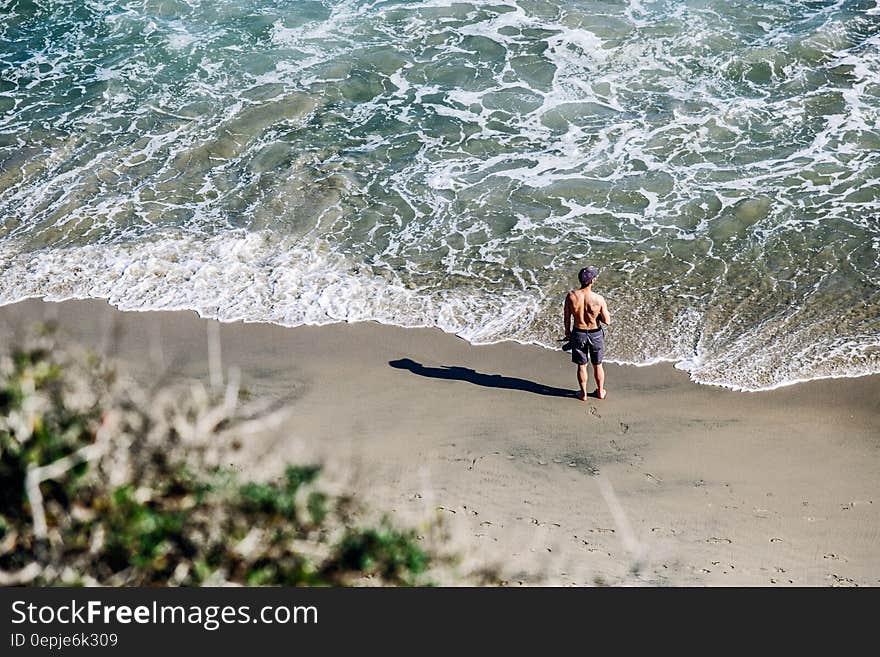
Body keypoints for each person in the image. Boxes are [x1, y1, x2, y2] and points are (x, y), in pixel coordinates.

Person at [563, 265, 611, 401]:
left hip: (578, 332)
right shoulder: (598, 299)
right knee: (598, 364)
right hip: (595, 333)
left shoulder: (571, 296)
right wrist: (597, 315)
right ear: (592, 281)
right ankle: (600, 392)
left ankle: (583, 394)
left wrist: (568, 333)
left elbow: (567, 317)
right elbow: (607, 321)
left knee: (582, 365)